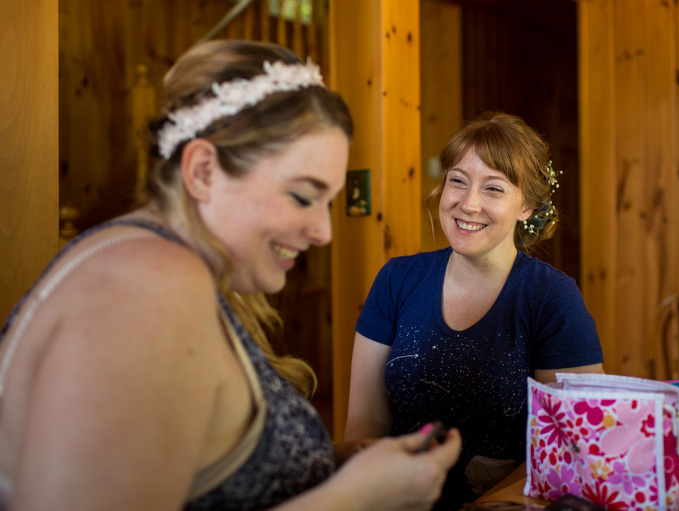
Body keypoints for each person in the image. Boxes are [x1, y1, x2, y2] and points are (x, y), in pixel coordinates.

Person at [0, 40, 460, 511]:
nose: (323, 231)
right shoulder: (145, 290)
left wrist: (340, 461)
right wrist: (358, 498)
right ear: (202, 171)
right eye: (303, 196)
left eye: (330, 202)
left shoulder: (146, 261)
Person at [345, 112, 604, 510]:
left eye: (494, 189)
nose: (468, 203)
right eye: (458, 181)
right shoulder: (397, 279)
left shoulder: (551, 298)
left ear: (528, 207)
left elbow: (577, 445)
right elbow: (365, 425)